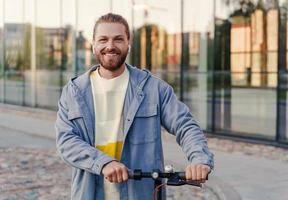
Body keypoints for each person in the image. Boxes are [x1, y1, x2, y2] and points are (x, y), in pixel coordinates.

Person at [55, 13, 214, 200]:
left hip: (141, 194)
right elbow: (66, 140)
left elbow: (185, 125)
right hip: (90, 193)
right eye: (103, 39)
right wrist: (104, 163)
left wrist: (199, 160)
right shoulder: (73, 92)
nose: (110, 46)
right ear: (93, 44)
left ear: (128, 44)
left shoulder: (154, 88)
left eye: (118, 39)